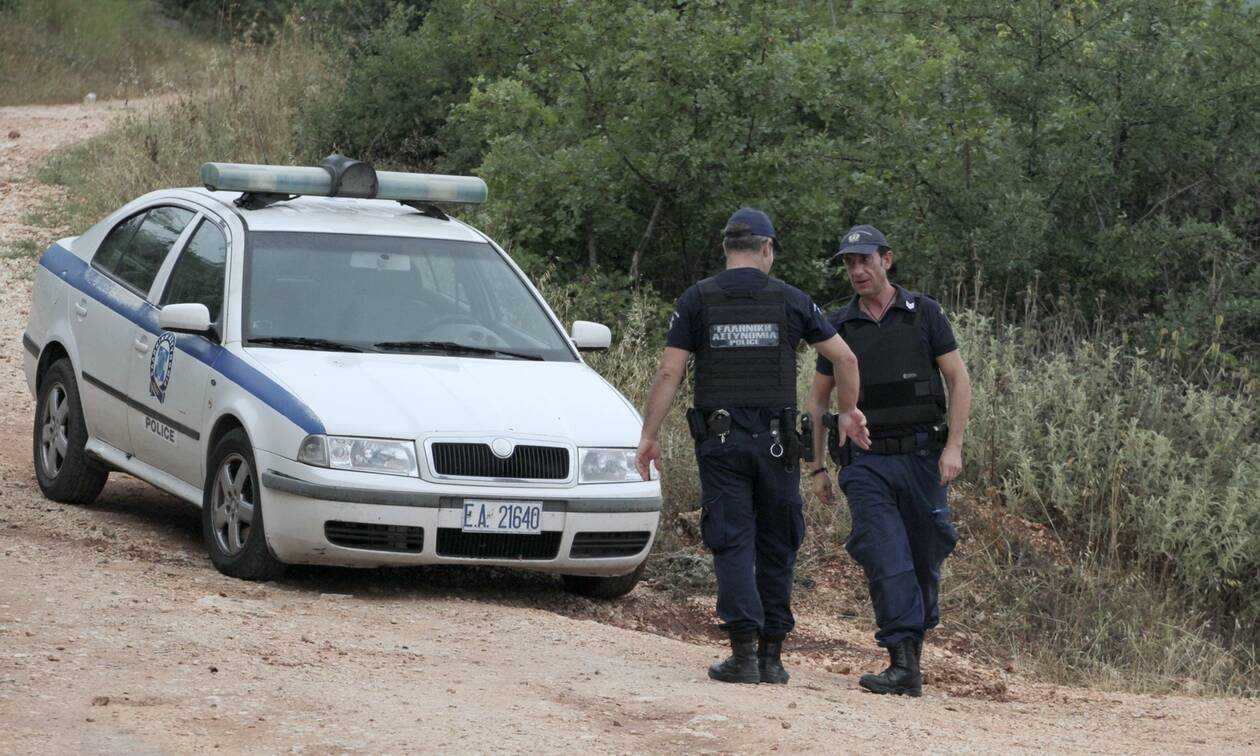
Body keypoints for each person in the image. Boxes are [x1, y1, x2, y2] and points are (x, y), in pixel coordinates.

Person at [635, 208, 868, 685]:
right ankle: (772, 657)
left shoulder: (697, 299)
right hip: (778, 445)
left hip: (721, 444)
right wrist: (847, 412)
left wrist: (649, 436)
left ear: (726, 249)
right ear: (767, 248)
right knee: (777, 541)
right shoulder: (792, 299)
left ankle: (743, 655)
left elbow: (669, 372)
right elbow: (845, 358)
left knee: (732, 539)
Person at [806, 224, 972, 697]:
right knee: (884, 552)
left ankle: (912, 650)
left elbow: (958, 380)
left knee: (926, 554)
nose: (857, 270)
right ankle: (901, 661)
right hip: (867, 461)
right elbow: (818, 401)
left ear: (887, 259)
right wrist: (816, 466)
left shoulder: (925, 313)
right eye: (849, 263)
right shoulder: (837, 325)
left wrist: (954, 446)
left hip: (922, 458)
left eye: (865, 260)